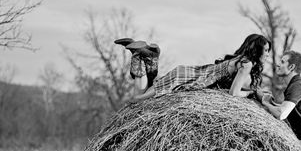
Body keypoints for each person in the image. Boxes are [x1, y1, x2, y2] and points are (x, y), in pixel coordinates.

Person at [114, 34, 271, 102]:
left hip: (189, 73)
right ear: (257, 50)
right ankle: (141, 55)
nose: (268, 55)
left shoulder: (239, 60)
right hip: (189, 78)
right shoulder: (247, 64)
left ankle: (147, 57)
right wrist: (250, 94)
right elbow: (234, 93)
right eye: (266, 51)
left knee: (147, 89)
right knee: (139, 99)